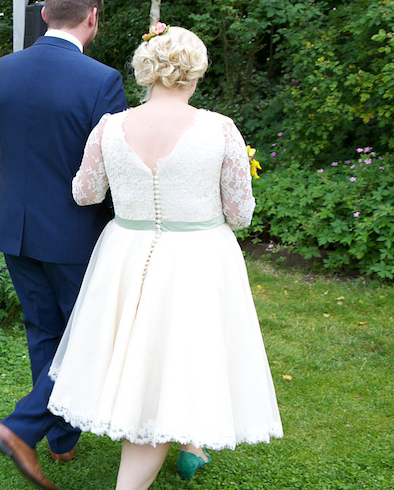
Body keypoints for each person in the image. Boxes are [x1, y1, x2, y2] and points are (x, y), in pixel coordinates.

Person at [46, 25, 283, 490]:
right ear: (194, 72)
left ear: (146, 70)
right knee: (182, 360)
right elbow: (240, 214)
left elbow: (86, 193)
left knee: (149, 360)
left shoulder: (110, 127)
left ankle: (190, 442)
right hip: (196, 258)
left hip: (125, 255)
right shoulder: (219, 129)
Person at [0, 0, 128, 490]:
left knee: (45, 332)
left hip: (16, 228)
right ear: (92, 18)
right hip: (74, 233)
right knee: (90, 340)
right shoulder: (103, 81)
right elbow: (115, 168)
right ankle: (22, 428)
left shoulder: (1, 70)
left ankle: (61, 439)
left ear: (44, 13)